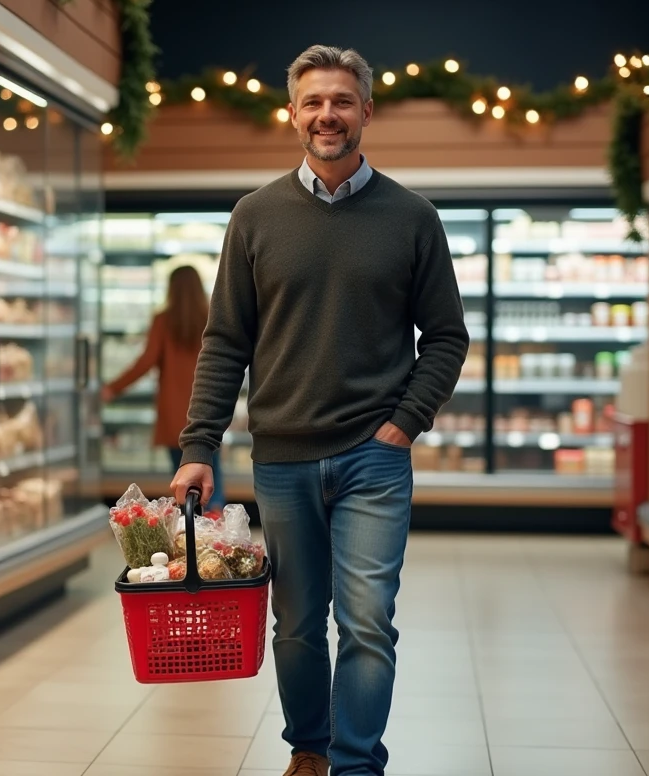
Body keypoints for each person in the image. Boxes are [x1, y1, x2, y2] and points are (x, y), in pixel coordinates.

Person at [170, 45, 470, 776]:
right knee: (296, 625)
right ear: (293, 114)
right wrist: (199, 445)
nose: (326, 115)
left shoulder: (412, 217)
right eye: (313, 102)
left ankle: (357, 764)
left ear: (366, 111)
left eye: (340, 101)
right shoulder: (255, 216)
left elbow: (446, 337)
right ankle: (309, 750)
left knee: (366, 622)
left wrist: (405, 422)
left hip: (375, 456)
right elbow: (225, 340)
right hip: (281, 457)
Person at [103, 264, 225, 509]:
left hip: (174, 411)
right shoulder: (212, 318)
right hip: (209, 408)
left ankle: (189, 520)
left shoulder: (164, 321)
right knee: (212, 471)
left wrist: (113, 388)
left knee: (181, 476)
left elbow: (145, 361)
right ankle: (215, 519)